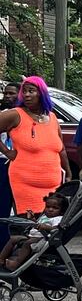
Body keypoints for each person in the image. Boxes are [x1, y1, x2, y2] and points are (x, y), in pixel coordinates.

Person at [0, 76, 71, 214]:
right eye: (24, 91)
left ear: (41, 93)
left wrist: (68, 172)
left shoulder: (52, 117)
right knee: (32, 226)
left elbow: (60, 148)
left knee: (50, 225)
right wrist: (8, 152)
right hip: (25, 183)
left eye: (31, 91)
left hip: (53, 185)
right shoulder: (15, 115)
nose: (26, 94)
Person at [0, 192, 68, 271]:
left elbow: (56, 229)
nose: (50, 209)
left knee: (27, 244)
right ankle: (1, 258)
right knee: (12, 239)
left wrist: (46, 227)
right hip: (32, 235)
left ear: (62, 210)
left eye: (55, 208)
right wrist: (32, 219)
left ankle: (16, 263)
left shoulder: (58, 218)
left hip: (42, 238)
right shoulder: (44, 216)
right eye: (48, 206)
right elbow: (37, 225)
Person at [0, 82, 19, 249]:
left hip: (23, 165)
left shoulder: (23, 115)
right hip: (4, 162)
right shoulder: (4, 115)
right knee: (3, 205)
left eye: (11, 94)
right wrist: (6, 152)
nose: (7, 97)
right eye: (5, 93)